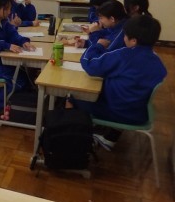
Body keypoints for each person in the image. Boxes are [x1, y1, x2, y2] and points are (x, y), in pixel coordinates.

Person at [71, 15, 166, 150]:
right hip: (140, 113)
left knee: (72, 97)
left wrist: (97, 45)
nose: (123, 38)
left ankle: (76, 143)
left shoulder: (124, 55)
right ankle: (108, 136)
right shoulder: (158, 62)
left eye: (125, 35)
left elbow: (89, 65)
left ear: (133, 40)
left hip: (118, 112)